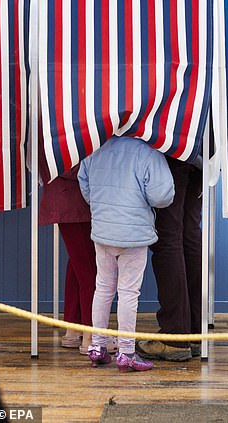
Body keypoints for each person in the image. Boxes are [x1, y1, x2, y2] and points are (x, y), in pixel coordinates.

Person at [78, 136, 174, 372]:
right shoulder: (148, 152)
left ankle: (98, 347)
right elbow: (162, 196)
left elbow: (85, 185)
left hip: (103, 230)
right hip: (134, 233)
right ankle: (127, 352)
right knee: (129, 292)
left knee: (102, 288)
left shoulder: (96, 148)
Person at [136, 154, 203, 362]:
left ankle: (174, 336)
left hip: (174, 151)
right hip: (201, 155)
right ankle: (192, 333)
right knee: (189, 235)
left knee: (167, 239)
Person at [39, 165, 97, 354]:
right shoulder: (58, 135)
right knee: (89, 270)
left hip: (67, 200)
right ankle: (91, 335)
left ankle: (72, 328)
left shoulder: (45, 134)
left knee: (78, 265)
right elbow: (69, 166)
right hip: (75, 202)